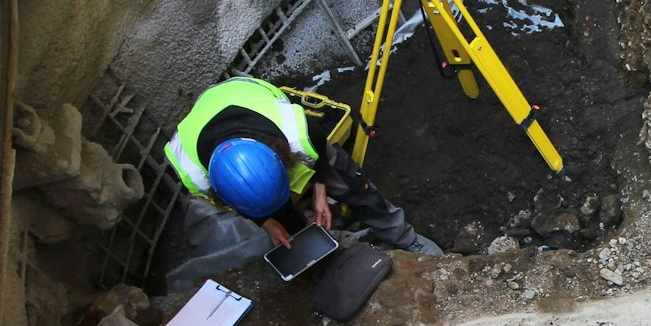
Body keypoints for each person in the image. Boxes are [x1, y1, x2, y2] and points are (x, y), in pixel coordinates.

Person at [164, 76, 442, 255]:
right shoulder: (193, 173)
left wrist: (320, 191)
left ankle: (404, 236)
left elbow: (319, 150)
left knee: (352, 184)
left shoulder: (296, 132)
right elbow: (240, 202)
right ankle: (321, 244)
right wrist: (265, 221)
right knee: (283, 221)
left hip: (248, 93)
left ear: (280, 158)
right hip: (211, 114)